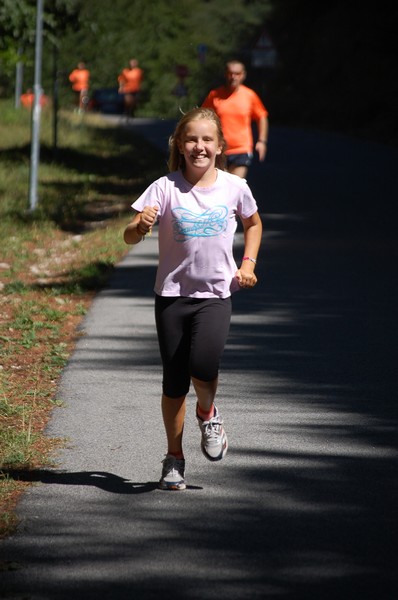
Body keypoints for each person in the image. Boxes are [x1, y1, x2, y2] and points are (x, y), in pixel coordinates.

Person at [123, 107, 262, 490]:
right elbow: (128, 237)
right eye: (191, 140)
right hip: (171, 295)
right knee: (173, 380)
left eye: (207, 140)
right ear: (180, 147)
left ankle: (208, 412)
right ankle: (174, 458)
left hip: (216, 293)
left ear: (220, 147)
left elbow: (253, 222)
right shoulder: (164, 187)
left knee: (203, 364)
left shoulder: (235, 187)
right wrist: (140, 225)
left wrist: (247, 263)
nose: (199, 146)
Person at [202, 60, 269, 178]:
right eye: (230, 73)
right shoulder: (214, 95)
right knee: (220, 187)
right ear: (225, 74)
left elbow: (261, 116)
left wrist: (262, 141)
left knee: (236, 186)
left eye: (237, 74)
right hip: (219, 149)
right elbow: (202, 117)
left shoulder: (249, 95)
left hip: (241, 149)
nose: (233, 77)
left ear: (243, 75)